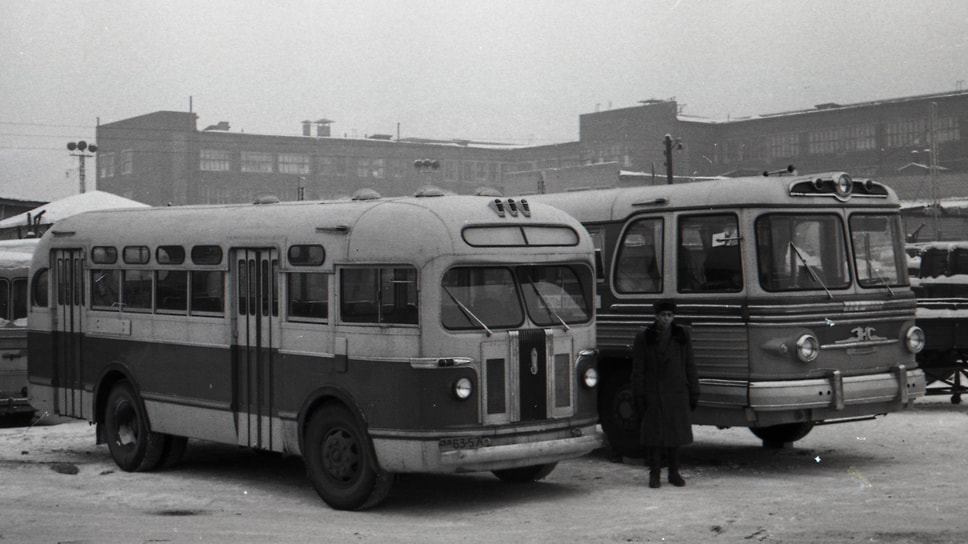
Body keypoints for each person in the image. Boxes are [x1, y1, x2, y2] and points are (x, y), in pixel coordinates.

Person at [630, 301, 700, 488]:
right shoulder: (644, 338)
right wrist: (639, 394)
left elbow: (689, 365)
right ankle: (654, 474)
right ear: (656, 316)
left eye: (669, 315)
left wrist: (694, 390)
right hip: (653, 393)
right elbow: (638, 370)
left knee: (675, 435)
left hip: (677, 392)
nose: (666, 319)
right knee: (654, 437)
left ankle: (674, 472)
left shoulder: (682, 336)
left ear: (673, 317)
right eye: (662, 315)